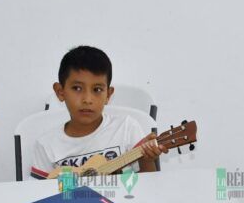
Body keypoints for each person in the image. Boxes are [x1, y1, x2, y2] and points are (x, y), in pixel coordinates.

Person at [30, 45, 164, 179]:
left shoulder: (126, 129)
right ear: (60, 92)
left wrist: (147, 160)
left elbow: (146, 187)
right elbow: (38, 193)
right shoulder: (46, 144)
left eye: (97, 90)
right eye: (77, 88)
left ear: (108, 95)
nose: (87, 99)